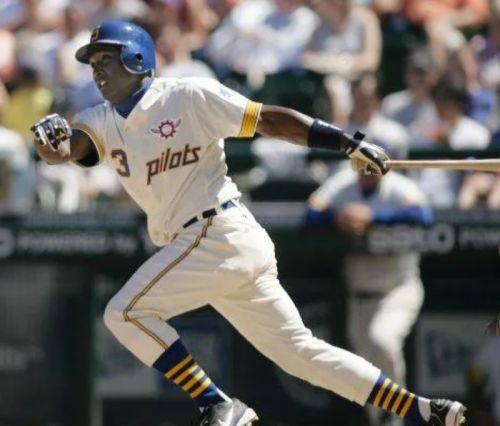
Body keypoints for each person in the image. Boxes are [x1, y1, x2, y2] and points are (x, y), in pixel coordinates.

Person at [30, 20, 467, 426]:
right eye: (92, 62)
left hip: (216, 232)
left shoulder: (187, 95)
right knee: (300, 354)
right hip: (214, 247)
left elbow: (268, 119)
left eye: (106, 58)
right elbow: (67, 150)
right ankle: (419, 409)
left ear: (136, 57)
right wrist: (49, 142)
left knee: (124, 312)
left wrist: (344, 141)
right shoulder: (100, 119)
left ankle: (216, 402)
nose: (96, 70)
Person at [305, 144, 433, 426]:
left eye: (372, 166)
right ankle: (386, 421)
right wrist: (337, 217)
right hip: (358, 297)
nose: (366, 171)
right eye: (361, 165)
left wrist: (373, 217)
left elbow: (424, 216)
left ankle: (401, 414)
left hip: (397, 290)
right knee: (364, 376)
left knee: (382, 340)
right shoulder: (343, 184)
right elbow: (311, 213)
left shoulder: (398, 187)